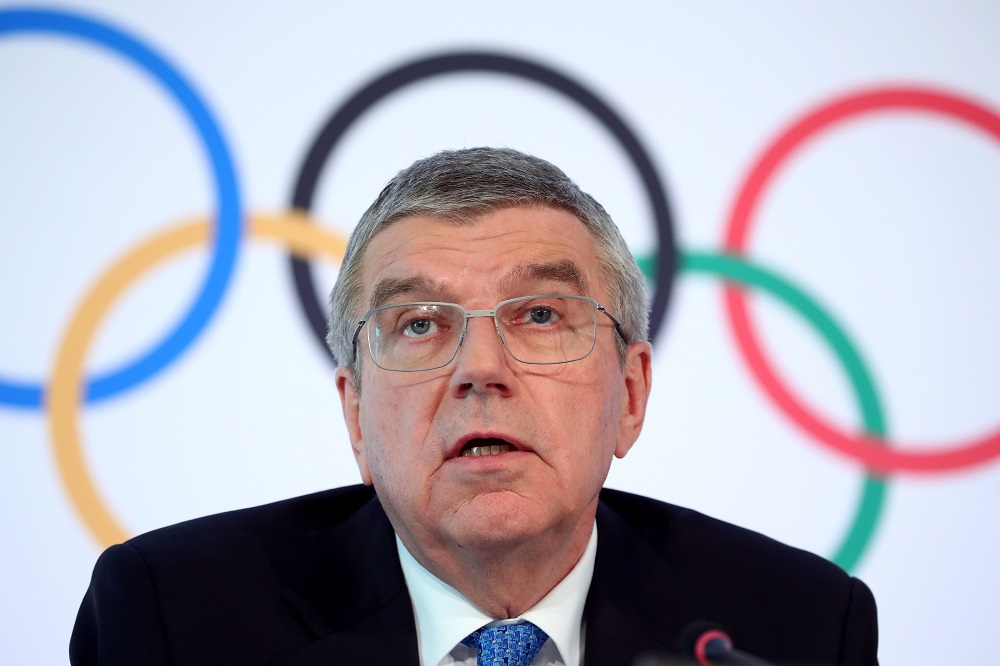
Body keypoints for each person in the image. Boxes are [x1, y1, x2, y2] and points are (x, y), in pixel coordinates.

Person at [70, 147, 878, 665]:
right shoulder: (173, 619)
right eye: (419, 325)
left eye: (539, 315)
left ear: (630, 395)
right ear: (354, 414)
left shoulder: (793, 628)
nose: (480, 369)